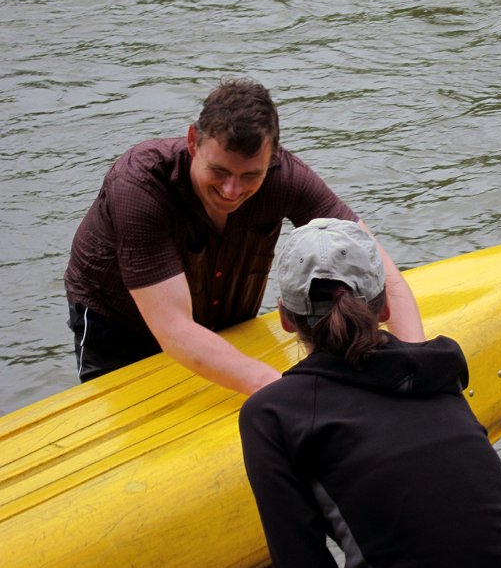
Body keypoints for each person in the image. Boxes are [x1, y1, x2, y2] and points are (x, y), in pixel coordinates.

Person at [64, 78, 423, 394]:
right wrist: (282, 392)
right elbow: (173, 327)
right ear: (193, 141)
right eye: (218, 171)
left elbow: (381, 271)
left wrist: (413, 365)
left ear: (273, 157)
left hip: (224, 315)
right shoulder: (139, 188)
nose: (231, 190)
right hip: (121, 329)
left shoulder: (287, 178)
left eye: (251, 175)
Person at [238, 218, 501, 568]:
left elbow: (302, 567)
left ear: (285, 318)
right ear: (384, 308)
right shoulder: (437, 373)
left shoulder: (272, 414)